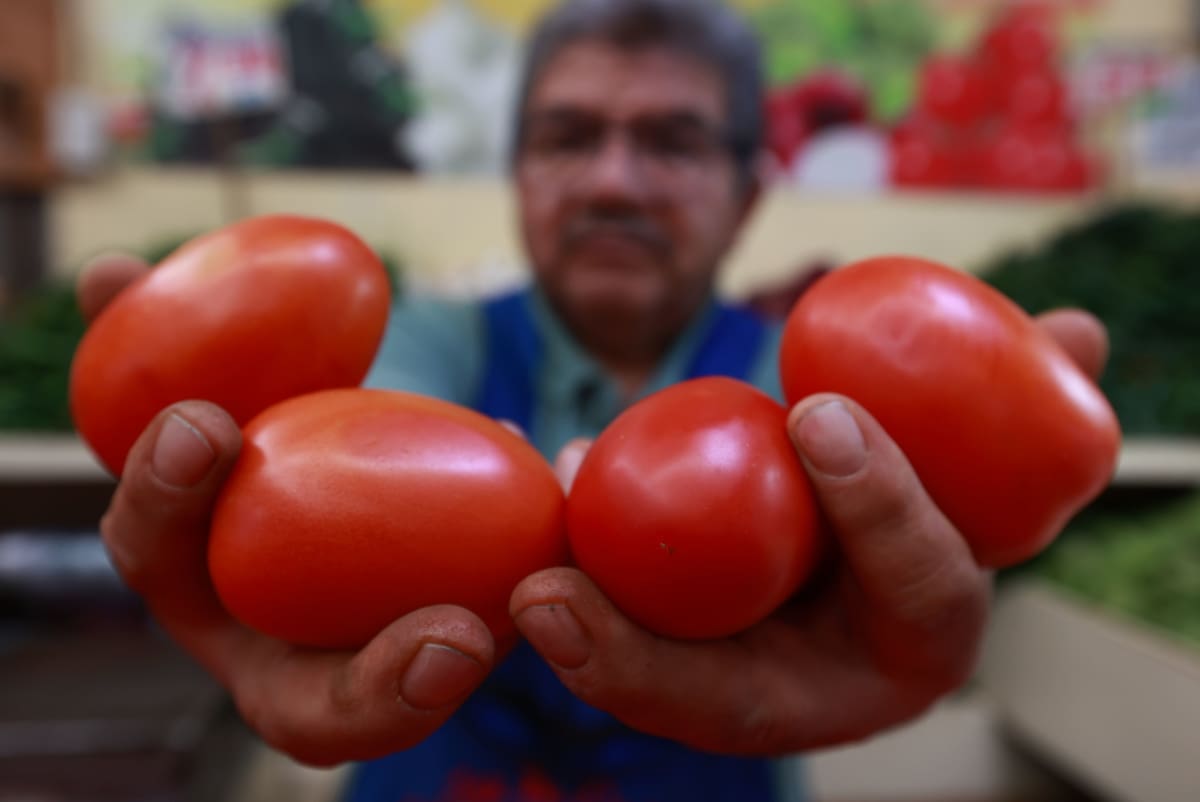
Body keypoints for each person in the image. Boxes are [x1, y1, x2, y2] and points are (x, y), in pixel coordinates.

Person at [75, 0, 1110, 800]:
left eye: (671, 142)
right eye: (569, 136)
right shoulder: (426, 338)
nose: (615, 180)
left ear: (749, 192)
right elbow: (317, 455)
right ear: (519, 173)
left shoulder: (818, 395)